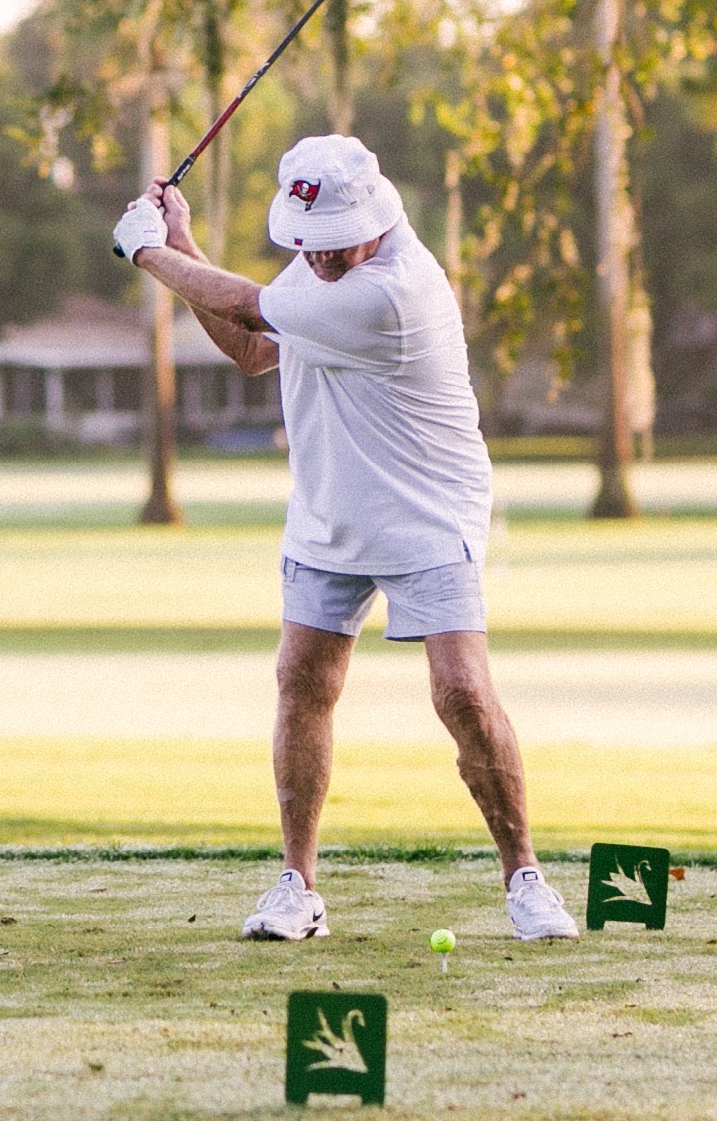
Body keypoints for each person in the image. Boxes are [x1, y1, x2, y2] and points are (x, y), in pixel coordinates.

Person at [111, 134, 577, 943]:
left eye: (328, 247)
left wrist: (150, 255)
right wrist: (182, 245)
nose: (315, 261)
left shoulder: (394, 291)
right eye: (304, 247)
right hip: (328, 507)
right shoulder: (320, 263)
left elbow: (254, 308)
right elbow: (257, 349)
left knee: (462, 693)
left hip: (427, 511)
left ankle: (526, 878)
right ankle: (298, 886)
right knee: (302, 680)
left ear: (372, 219)